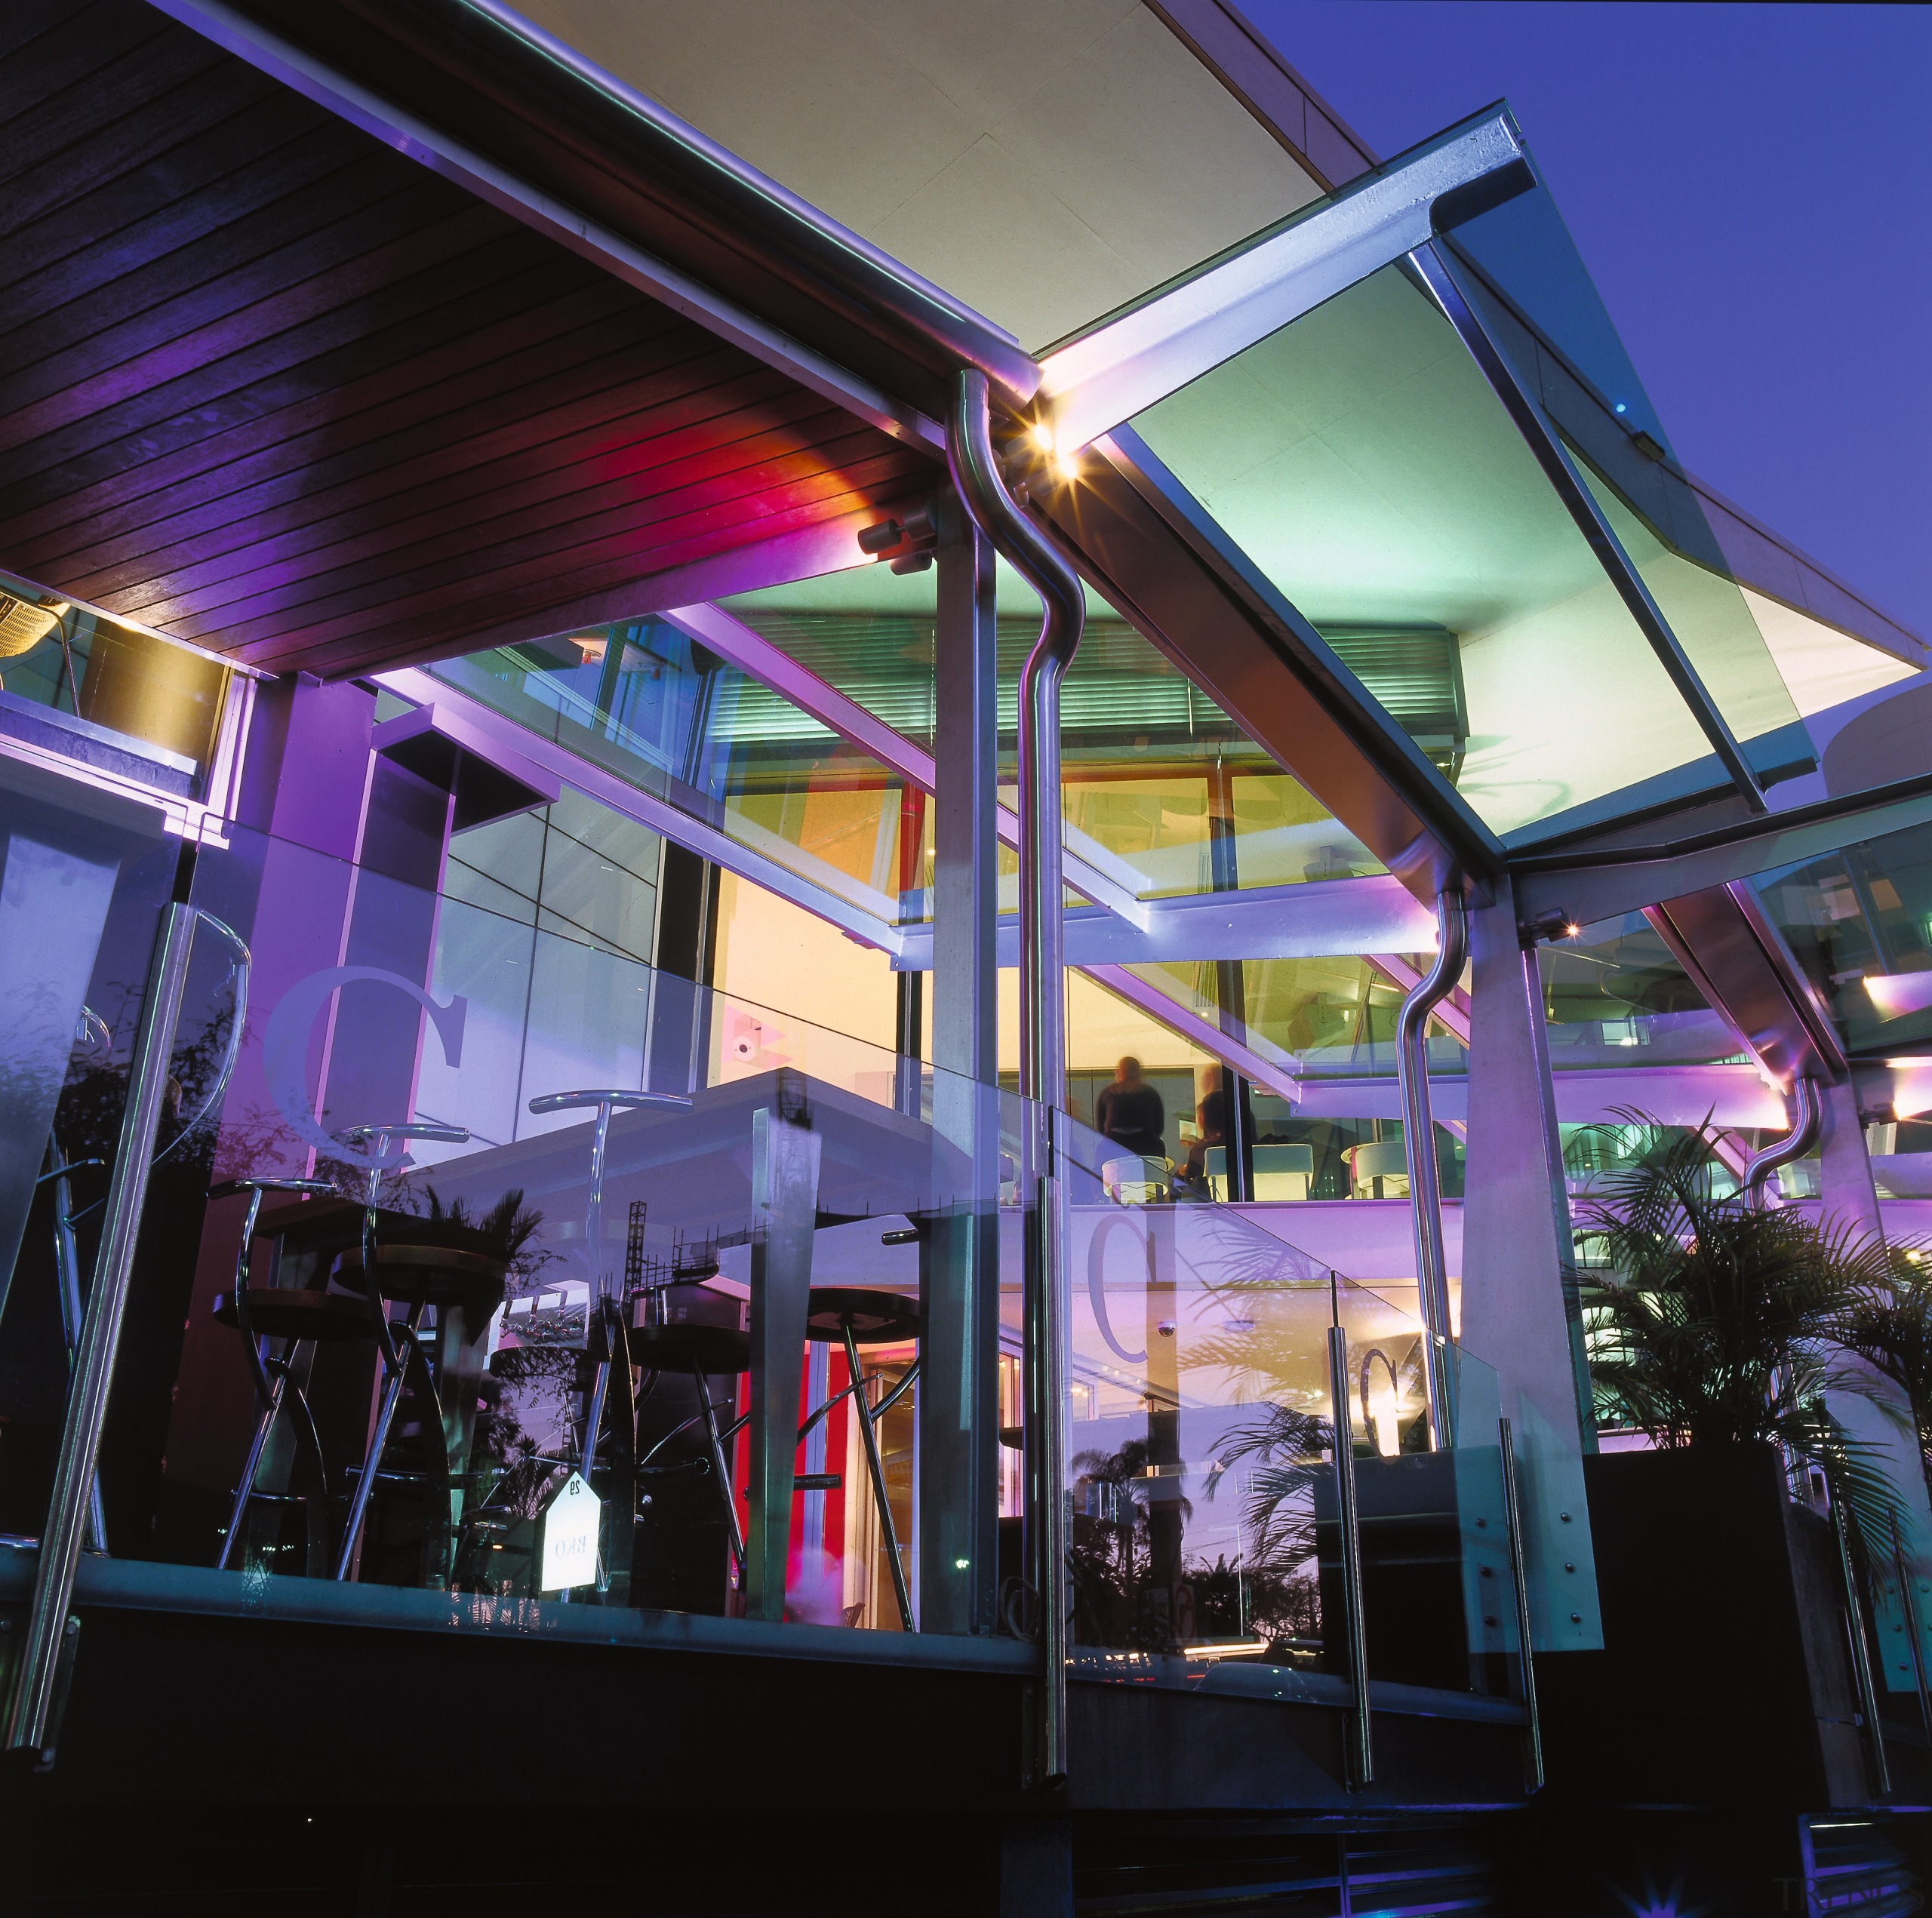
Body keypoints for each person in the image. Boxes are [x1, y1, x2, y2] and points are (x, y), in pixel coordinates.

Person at [1094, 1056, 1164, 1160]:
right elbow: (1159, 1127)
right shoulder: (1150, 1093)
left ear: (1120, 1072)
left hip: (1113, 1145)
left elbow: (1101, 1127)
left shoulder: (1108, 1093)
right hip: (1146, 1144)